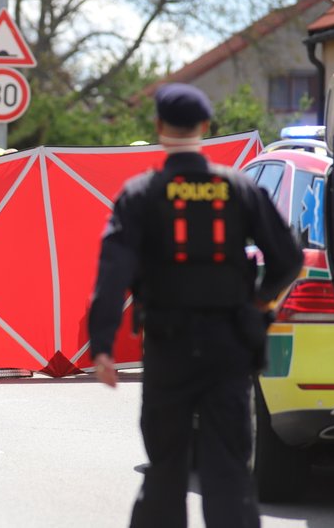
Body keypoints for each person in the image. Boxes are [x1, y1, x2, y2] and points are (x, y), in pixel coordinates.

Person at [87, 83, 303, 528]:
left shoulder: (140, 194)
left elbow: (113, 275)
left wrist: (102, 346)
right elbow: (288, 258)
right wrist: (260, 304)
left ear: (159, 128)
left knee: (166, 469)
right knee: (228, 472)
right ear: (205, 127)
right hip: (230, 349)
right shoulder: (240, 188)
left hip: (169, 348)